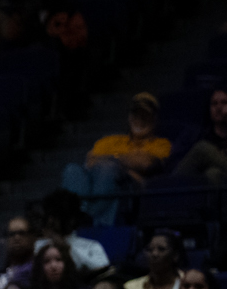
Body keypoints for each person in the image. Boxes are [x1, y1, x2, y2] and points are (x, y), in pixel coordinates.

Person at [62, 93, 172, 226]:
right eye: (136, 115)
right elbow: (90, 162)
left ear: (154, 120)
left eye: (145, 117)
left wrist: (112, 161)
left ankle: (93, 219)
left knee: (107, 169)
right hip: (103, 179)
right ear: (129, 117)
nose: (140, 120)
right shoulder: (109, 141)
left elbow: (146, 163)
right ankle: (78, 217)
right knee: (72, 170)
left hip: (131, 190)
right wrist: (126, 164)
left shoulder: (160, 144)